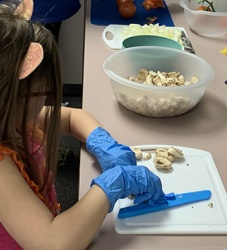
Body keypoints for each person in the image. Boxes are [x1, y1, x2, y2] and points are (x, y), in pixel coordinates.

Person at [0, 1, 166, 249]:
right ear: (12, 95)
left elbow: (71, 118)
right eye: (43, 93)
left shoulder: (15, 116)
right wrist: (112, 184)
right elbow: (54, 242)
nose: (48, 101)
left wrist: (103, 143)